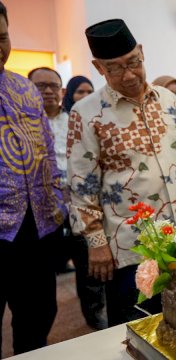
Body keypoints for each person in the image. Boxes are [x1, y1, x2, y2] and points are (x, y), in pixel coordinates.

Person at [67, 19, 176, 326]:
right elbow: (82, 185)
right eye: (115, 67)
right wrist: (96, 243)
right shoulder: (87, 114)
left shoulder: (168, 100)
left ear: (142, 52)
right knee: (139, 325)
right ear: (98, 67)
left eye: (134, 62)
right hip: (130, 246)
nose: (129, 74)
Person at [0, 2, 67, 354]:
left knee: (38, 315)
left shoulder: (25, 89)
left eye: (2, 37)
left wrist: (56, 207)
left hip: (35, 228)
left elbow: (47, 150)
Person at [31, 69, 107, 330]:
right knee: (39, 279)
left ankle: (94, 315)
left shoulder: (74, 120)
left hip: (76, 207)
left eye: (54, 86)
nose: (49, 91)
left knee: (87, 267)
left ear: (62, 91)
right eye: (41, 86)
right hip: (38, 213)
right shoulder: (24, 124)